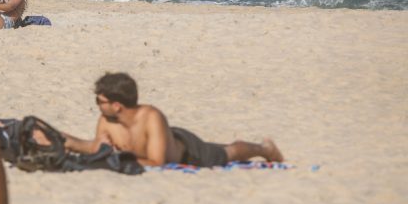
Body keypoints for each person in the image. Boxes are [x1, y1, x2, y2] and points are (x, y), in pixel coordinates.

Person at [63, 72, 284, 167]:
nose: (97, 104)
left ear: (117, 105)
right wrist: (68, 141)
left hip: (188, 150)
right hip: (153, 147)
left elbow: (158, 162)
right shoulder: (107, 120)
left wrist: (113, 158)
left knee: (230, 152)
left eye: (99, 100)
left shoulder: (151, 117)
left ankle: (265, 149)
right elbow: (97, 148)